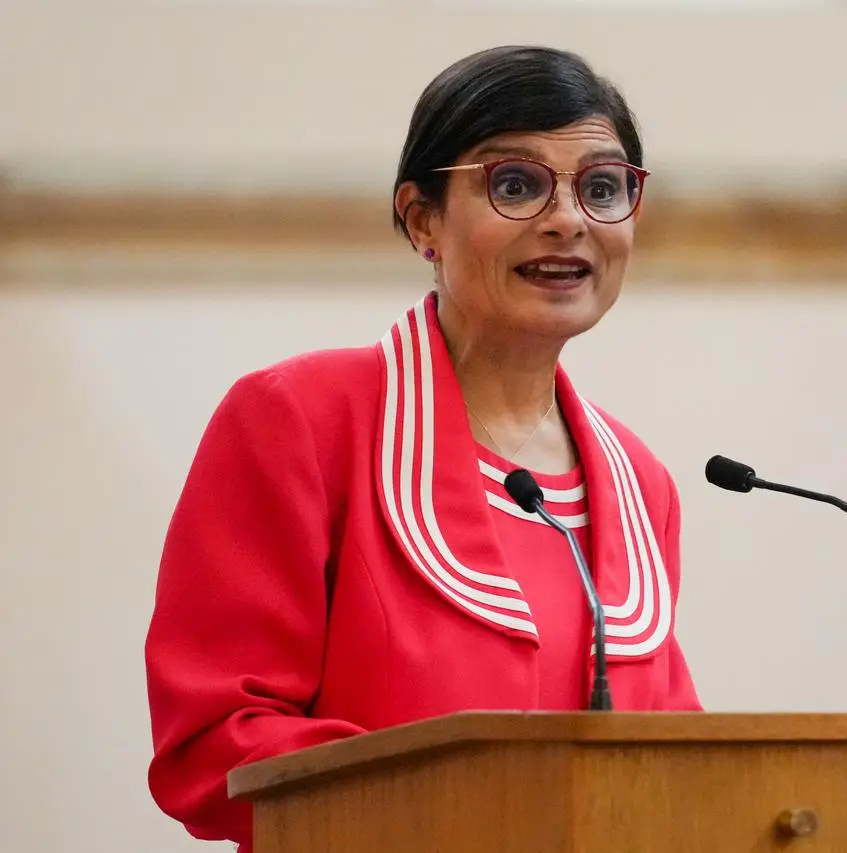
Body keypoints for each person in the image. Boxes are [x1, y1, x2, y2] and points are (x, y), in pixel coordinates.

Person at [143, 44, 702, 851]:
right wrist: (473, 808)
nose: (569, 219)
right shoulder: (299, 420)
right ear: (421, 218)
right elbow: (214, 739)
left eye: (603, 188)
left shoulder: (639, 482)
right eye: (515, 184)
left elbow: (678, 766)